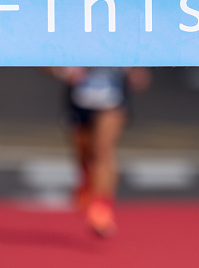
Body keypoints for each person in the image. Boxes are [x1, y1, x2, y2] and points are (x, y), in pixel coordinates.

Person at [48, 67, 150, 236]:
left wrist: (137, 72)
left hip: (112, 101)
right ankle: (86, 181)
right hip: (79, 101)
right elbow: (45, 63)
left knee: (102, 151)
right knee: (84, 154)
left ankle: (101, 209)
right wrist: (64, 71)